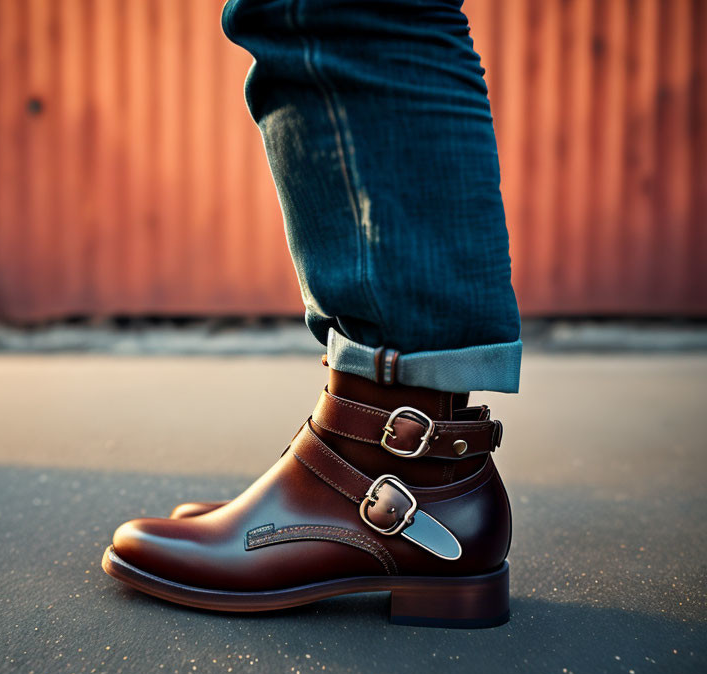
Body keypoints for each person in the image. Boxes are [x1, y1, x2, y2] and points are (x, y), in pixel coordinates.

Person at [103, 0, 521, 628]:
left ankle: (379, 465)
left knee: (333, 15)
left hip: (409, 503)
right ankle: (423, 473)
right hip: (438, 507)